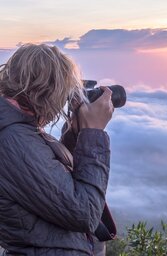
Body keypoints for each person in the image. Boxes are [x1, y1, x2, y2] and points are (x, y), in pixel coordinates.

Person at [0, 44, 115, 255]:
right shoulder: (13, 138)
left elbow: (55, 178)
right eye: (64, 91)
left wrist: (75, 135)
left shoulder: (20, 128)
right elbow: (85, 213)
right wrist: (93, 134)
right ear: (48, 89)